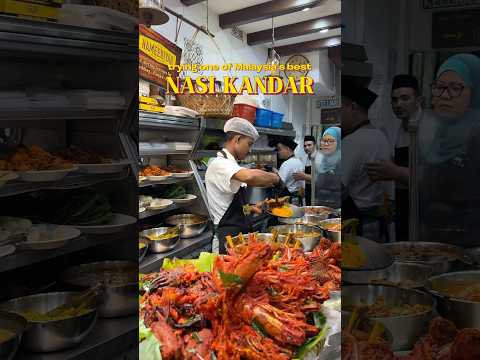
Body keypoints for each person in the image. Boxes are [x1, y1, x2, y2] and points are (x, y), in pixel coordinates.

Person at [417, 53, 480, 248]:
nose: (445, 96)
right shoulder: (433, 133)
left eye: (455, 88)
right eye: (439, 87)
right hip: (434, 242)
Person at [205, 117, 282, 253]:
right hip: (226, 239)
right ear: (237, 139)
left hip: (239, 236)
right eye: (249, 144)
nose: (250, 150)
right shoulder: (218, 163)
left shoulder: (232, 165)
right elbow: (249, 176)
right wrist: (275, 179)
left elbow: (228, 205)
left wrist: (251, 208)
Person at [367, 74, 423, 241]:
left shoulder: (430, 129)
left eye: (405, 98)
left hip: (424, 207)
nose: (399, 104)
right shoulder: (398, 128)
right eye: (395, 100)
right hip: (403, 203)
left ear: (419, 100)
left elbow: (434, 179)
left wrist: (394, 172)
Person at [341, 78, 393, 241]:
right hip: (377, 224)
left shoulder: (352, 141)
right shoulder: (380, 136)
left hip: (357, 226)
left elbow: (339, 189)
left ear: (352, 107)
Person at [314, 127, 342, 208]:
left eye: (331, 141)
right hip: (322, 207)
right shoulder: (321, 160)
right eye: (324, 141)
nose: (326, 144)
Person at [273, 138, 305, 205]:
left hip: (288, 200)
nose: (278, 152)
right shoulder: (299, 161)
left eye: (280, 149)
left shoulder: (287, 164)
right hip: (297, 199)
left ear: (287, 149)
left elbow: (279, 183)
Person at [293, 135, 317, 205]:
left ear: (315, 145)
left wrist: (304, 176)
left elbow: (321, 179)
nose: (307, 148)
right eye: (305, 146)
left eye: (309, 145)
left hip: (317, 192)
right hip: (308, 190)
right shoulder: (305, 158)